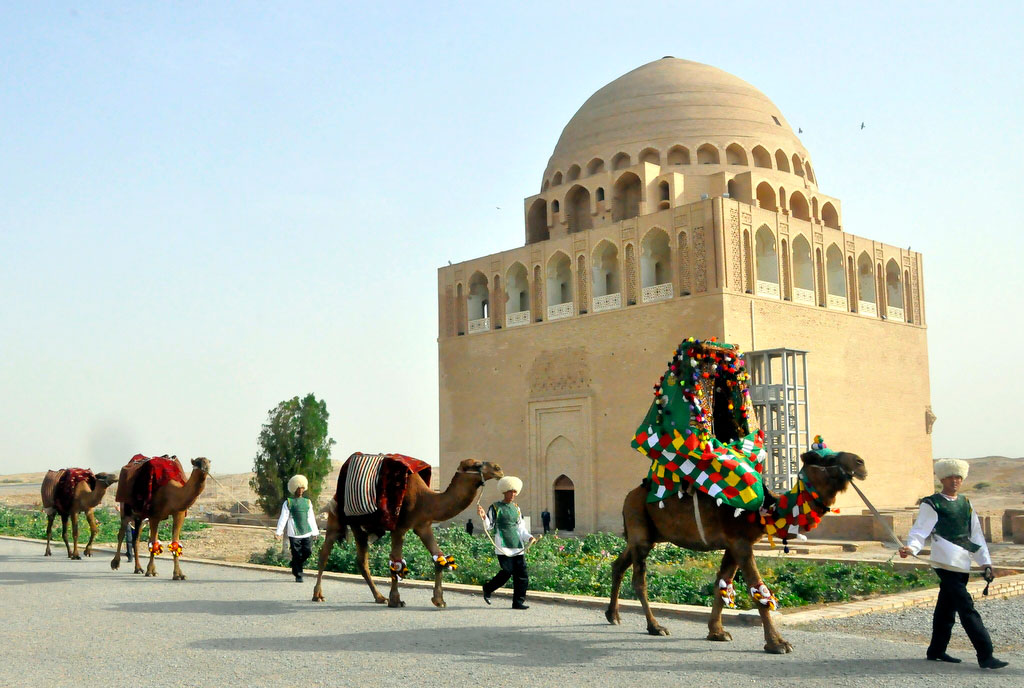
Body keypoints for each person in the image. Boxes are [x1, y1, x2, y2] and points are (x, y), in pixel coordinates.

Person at [899, 459, 1008, 670]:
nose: (955, 481)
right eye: (950, 477)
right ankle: (986, 654)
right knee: (966, 607)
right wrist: (911, 548)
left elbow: (975, 534)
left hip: (962, 562)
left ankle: (936, 650)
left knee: (946, 607)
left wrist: (985, 562)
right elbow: (920, 530)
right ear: (942, 479)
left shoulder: (966, 503)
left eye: (958, 477)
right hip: (944, 562)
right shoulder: (932, 503)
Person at [477, 476, 535, 609]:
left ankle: (518, 602)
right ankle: (488, 588)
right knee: (507, 571)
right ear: (504, 492)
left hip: (517, 546)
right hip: (502, 545)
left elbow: (521, 528)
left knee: (522, 575)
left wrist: (529, 537)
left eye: (515, 492)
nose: (513, 494)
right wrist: (483, 516)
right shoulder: (495, 507)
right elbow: (489, 525)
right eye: (510, 492)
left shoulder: (516, 508)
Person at [275, 474, 319, 583]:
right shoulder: (288, 502)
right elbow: (283, 518)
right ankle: (298, 575)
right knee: (296, 554)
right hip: (294, 533)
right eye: (299, 488)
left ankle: (294, 564)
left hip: (306, 532)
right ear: (294, 489)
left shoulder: (308, 502)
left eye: (302, 488)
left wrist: (315, 532)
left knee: (307, 552)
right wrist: (278, 532)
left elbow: (311, 517)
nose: (301, 490)